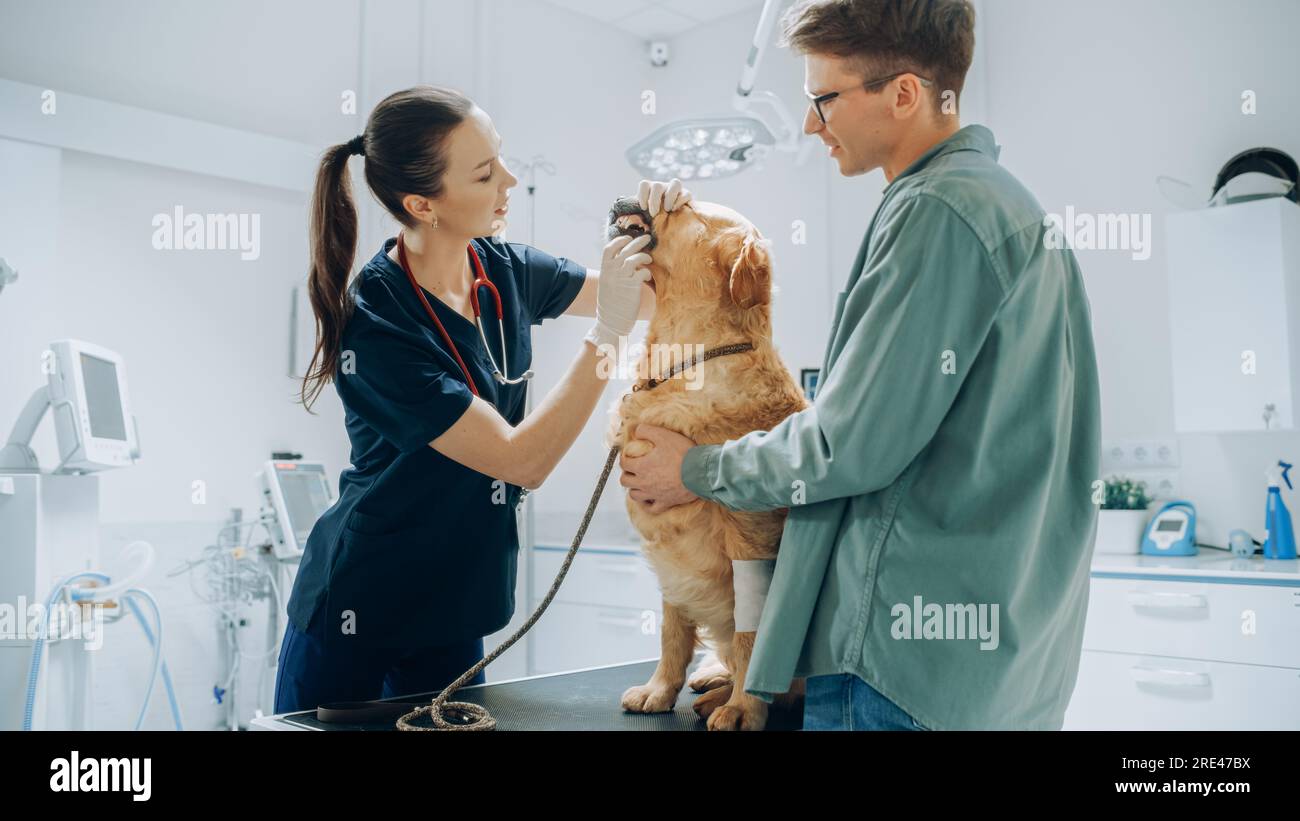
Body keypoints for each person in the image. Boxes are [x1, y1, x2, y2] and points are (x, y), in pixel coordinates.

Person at [620, 0, 1102, 730]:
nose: (812, 124)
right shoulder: (1013, 211)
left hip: (900, 674)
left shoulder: (937, 212)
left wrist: (693, 469)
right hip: (1001, 673)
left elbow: (847, 446)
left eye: (823, 99)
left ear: (904, 94)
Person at [273, 83, 693, 714]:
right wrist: (606, 334)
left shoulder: (505, 270)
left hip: (452, 605)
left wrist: (665, 227)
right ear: (423, 203)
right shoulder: (378, 324)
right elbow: (521, 462)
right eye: (484, 173)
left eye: (501, 157)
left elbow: (657, 299)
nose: (510, 181)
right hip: (362, 607)